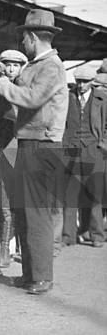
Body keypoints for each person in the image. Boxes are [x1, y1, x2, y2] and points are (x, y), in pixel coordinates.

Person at [0, 9, 68, 295]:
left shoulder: (51, 66)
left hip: (42, 145)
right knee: (24, 212)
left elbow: (34, 98)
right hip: (29, 142)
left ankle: (42, 277)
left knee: (37, 213)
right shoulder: (38, 65)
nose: (23, 44)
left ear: (33, 37)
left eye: (24, 39)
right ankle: (30, 275)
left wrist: (5, 88)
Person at [0, 49, 27, 271]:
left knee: (8, 206)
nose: (10, 69)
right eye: (6, 65)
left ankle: (3, 250)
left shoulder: (23, 91)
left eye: (15, 65)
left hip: (13, 151)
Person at [61, 65, 106, 248]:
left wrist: (102, 145)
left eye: (85, 82)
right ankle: (68, 236)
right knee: (70, 195)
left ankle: (97, 235)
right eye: (79, 81)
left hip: (93, 151)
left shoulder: (102, 100)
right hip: (71, 150)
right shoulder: (67, 97)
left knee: (94, 195)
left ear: (92, 82)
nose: (81, 86)